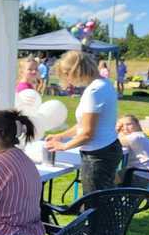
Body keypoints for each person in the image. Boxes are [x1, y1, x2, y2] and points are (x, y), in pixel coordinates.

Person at [45, 51, 122, 194]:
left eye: (66, 74)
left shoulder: (94, 91)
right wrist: (60, 136)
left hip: (98, 155)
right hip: (108, 148)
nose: (67, 79)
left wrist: (63, 146)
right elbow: (83, 124)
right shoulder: (104, 84)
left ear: (75, 71)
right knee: (104, 199)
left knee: (95, 204)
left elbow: (87, 133)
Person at [116, 115, 149, 188]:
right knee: (112, 176)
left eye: (129, 124)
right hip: (144, 174)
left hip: (137, 175)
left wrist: (118, 130)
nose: (125, 127)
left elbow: (115, 142)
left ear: (137, 124)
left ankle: (105, 196)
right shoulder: (140, 136)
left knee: (107, 177)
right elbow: (123, 150)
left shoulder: (136, 137)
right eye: (123, 125)